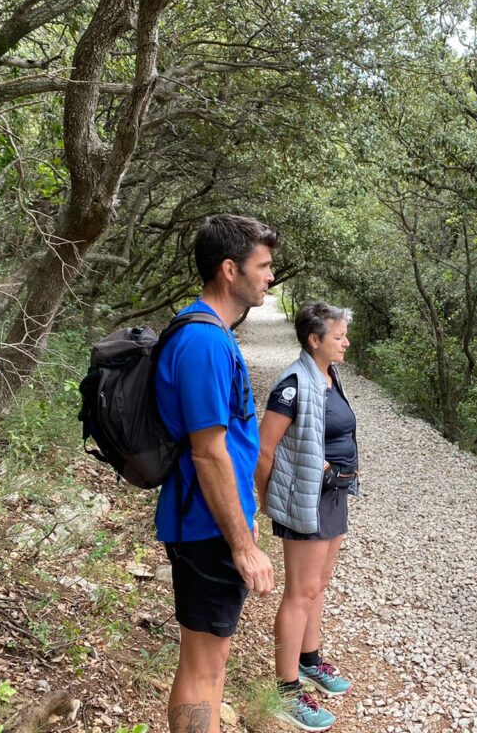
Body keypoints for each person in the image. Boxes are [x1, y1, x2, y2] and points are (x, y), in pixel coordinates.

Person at [154, 214, 278, 733]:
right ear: (230, 270)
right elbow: (209, 453)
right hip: (206, 526)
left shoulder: (211, 334)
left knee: (208, 662)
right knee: (203, 666)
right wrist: (243, 544)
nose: (270, 276)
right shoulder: (204, 342)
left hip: (206, 522)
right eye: (263, 266)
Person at [255, 302, 358, 732]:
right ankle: (287, 688)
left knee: (319, 584)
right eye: (339, 336)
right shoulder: (294, 384)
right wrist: (267, 500)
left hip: (333, 494)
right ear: (315, 340)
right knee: (299, 592)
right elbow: (264, 448)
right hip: (304, 500)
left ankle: (310, 658)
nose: (346, 342)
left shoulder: (329, 375)